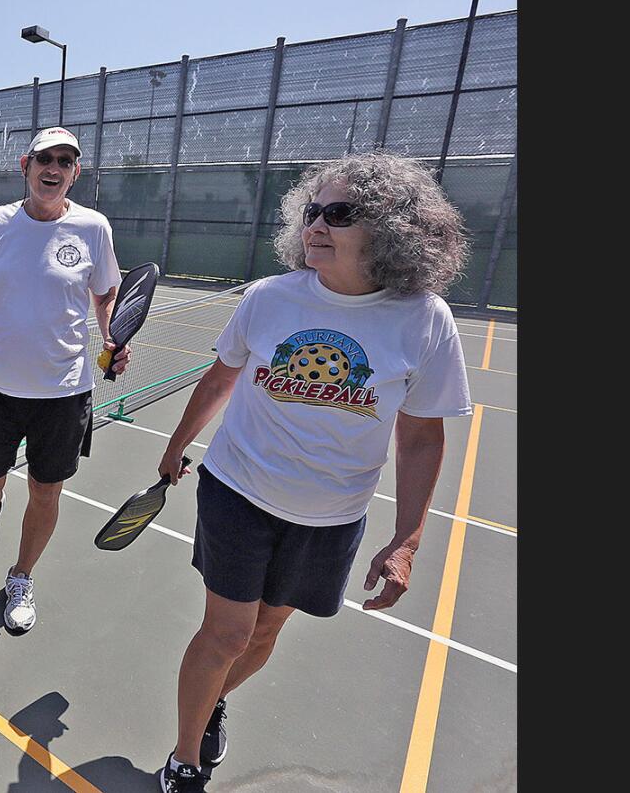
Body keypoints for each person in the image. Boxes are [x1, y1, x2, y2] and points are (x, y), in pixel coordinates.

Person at [152, 152, 472, 792]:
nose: (317, 225)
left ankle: (213, 699)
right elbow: (223, 375)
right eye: (312, 211)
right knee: (228, 630)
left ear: (391, 228)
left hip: (330, 517)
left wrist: (406, 538)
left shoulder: (424, 319)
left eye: (340, 213)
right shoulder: (270, 299)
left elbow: (420, 438)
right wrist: (177, 444)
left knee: (266, 632)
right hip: (239, 489)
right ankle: (184, 762)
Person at [0, 126, 127, 634]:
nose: (55, 168)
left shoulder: (93, 228)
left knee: (48, 491)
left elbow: (106, 292)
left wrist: (113, 337)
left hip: (64, 393)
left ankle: (21, 576)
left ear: (76, 172)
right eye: (45, 158)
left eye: (65, 161)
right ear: (26, 165)